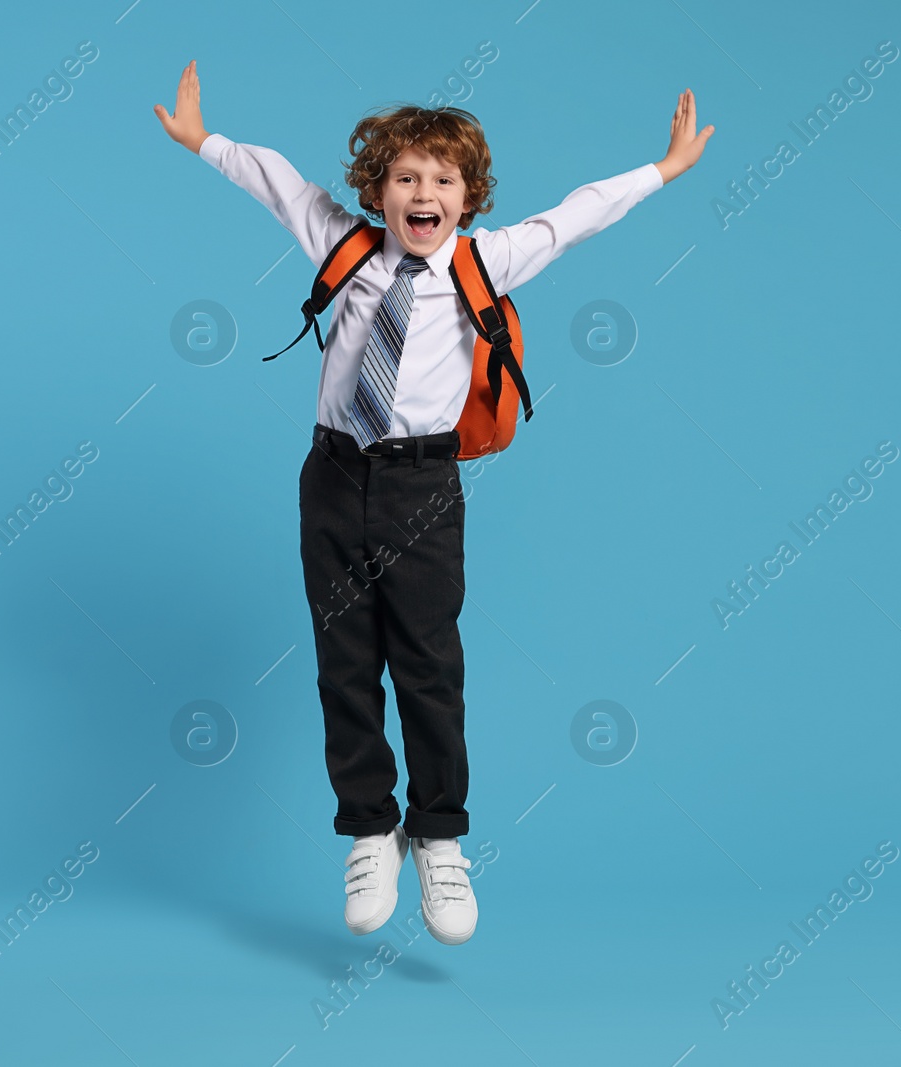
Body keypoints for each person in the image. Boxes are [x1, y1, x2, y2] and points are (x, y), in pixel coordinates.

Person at [155, 60, 713, 944]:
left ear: (467, 196)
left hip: (422, 486)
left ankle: (440, 836)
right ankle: (371, 826)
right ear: (378, 190)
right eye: (406, 177)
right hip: (334, 478)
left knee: (427, 666)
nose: (424, 192)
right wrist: (204, 140)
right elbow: (279, 183)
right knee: (344, 663)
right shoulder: (344, 246)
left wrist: (662, 169)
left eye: (443, 181)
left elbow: (574, 216)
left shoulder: (485, 261)